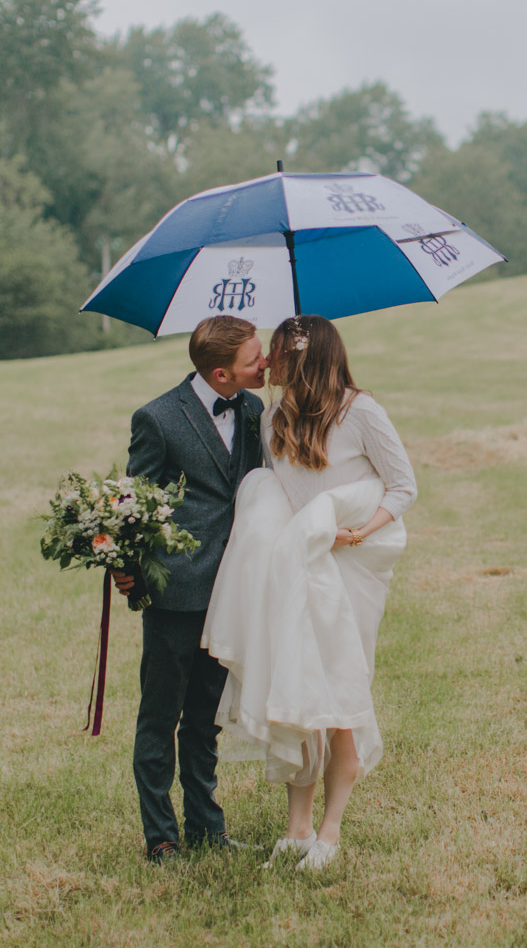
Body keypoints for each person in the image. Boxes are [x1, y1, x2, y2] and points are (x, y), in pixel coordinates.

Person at [202, 314, 416, 873]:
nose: (269, 364)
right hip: (298, 566)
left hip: (350, 562)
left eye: (278, 353)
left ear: (306, 357)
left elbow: (403, 486)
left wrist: (358, 531)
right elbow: (286, 491)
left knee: (340, 694)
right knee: (298, 688)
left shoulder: (361, 410)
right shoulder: (273, 415)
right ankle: (296, 829)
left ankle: (331, 829)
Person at [111, 315, 268, 864]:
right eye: (256, 358)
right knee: (160, 715)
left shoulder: (254, 411)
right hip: (176, 592)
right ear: (222, 373)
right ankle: (161, 837)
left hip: (233, 588)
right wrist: (125, 570)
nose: (266, 363)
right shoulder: (157, 418)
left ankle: (207, 827)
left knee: (204, 717)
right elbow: (135, 504)